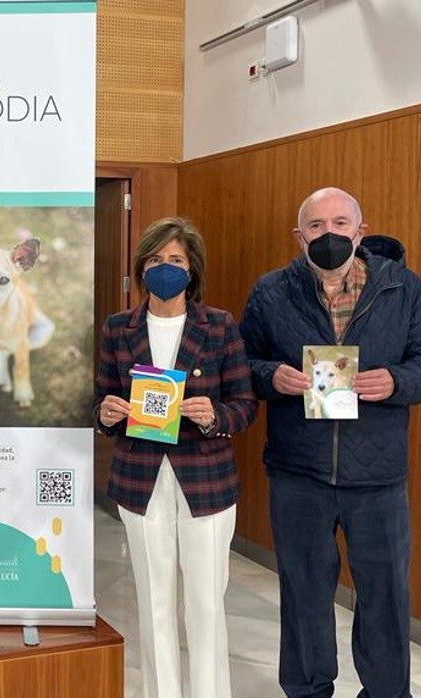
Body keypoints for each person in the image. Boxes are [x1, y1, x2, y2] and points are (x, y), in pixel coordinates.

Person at [238, 188, 421, 698]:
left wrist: (395, 382)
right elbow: (241, 365)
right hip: (298, 472)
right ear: (299, 235)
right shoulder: (270, 292)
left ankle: (386, 692)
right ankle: (308, 689)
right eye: (315, 225)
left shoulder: (402, 288)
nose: (327, 234)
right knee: (303, 591)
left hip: (377, 477)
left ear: (360, 229)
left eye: (339, 222)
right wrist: (272, 377)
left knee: (384, 596)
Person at [94, 217, 258, 698]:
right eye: (155, 260)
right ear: (141, 268)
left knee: (205, 606)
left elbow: (245, 405)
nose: (164, 269)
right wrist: (105, 413)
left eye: (176, 261)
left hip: (205, 485)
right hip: (140, 484)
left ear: (193, 270)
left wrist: (214, 415)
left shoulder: (220, 326)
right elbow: (102, 402)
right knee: (154, 603)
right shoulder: (118, 328)